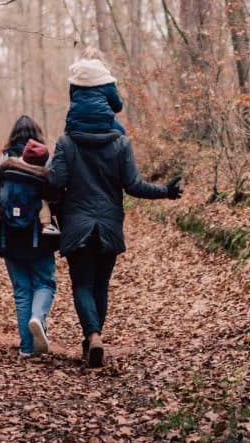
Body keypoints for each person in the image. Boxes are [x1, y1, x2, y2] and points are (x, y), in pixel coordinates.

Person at [48, 58, 183, 368]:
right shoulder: (121, 142)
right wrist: (166, 191)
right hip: (109, 226)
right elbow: (133, 185)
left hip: (77, 226)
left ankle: (92, 335)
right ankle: (95, 338)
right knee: (100, 285)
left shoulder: (66, 143)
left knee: (82, 284)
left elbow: (55, 182)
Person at [0, 116, 59, 358]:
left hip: (9, 238)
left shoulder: (3, 164)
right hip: (39, 238)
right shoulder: (44, 166)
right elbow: (55, 199)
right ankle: (38, 317)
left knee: (22, 291)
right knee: (45, 283)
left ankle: (27, 348)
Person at [0, 138, 59, 248]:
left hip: (8, 200)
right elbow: (53, 195)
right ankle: (46, 225)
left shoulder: (10, 162)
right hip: (32, 203)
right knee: (42, 204)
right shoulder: (43, 173)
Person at [65, 51, 127, 136]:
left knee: (65, 142)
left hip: (76, 123)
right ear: (101, 61)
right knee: (122, 133)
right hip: (104, 123)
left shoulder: (75, 80)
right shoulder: (106, 80)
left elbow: (73, 101)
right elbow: (117, 107)